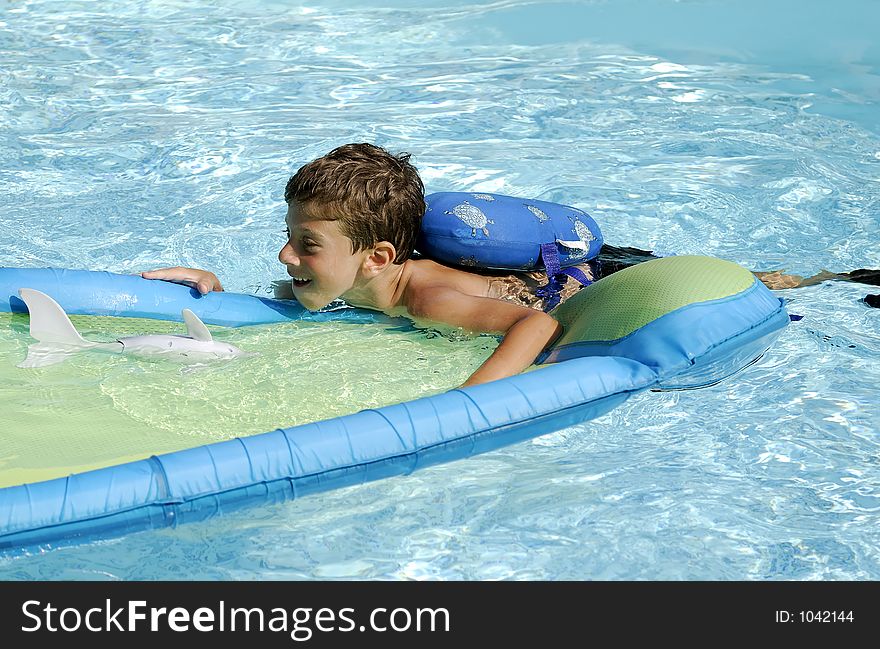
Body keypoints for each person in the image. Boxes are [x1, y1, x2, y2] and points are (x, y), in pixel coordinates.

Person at [142, 143, 879, 386]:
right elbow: (292, 292)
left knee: (781, 282)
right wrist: (214, 287)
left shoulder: (425, 297)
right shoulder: (352, 281)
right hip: (547, 273)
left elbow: (530, 325)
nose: (287, 256)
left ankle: (840, 280)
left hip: (592, 282)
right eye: (289, 235)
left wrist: (474, 396)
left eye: (307, 245)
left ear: (379, 257)